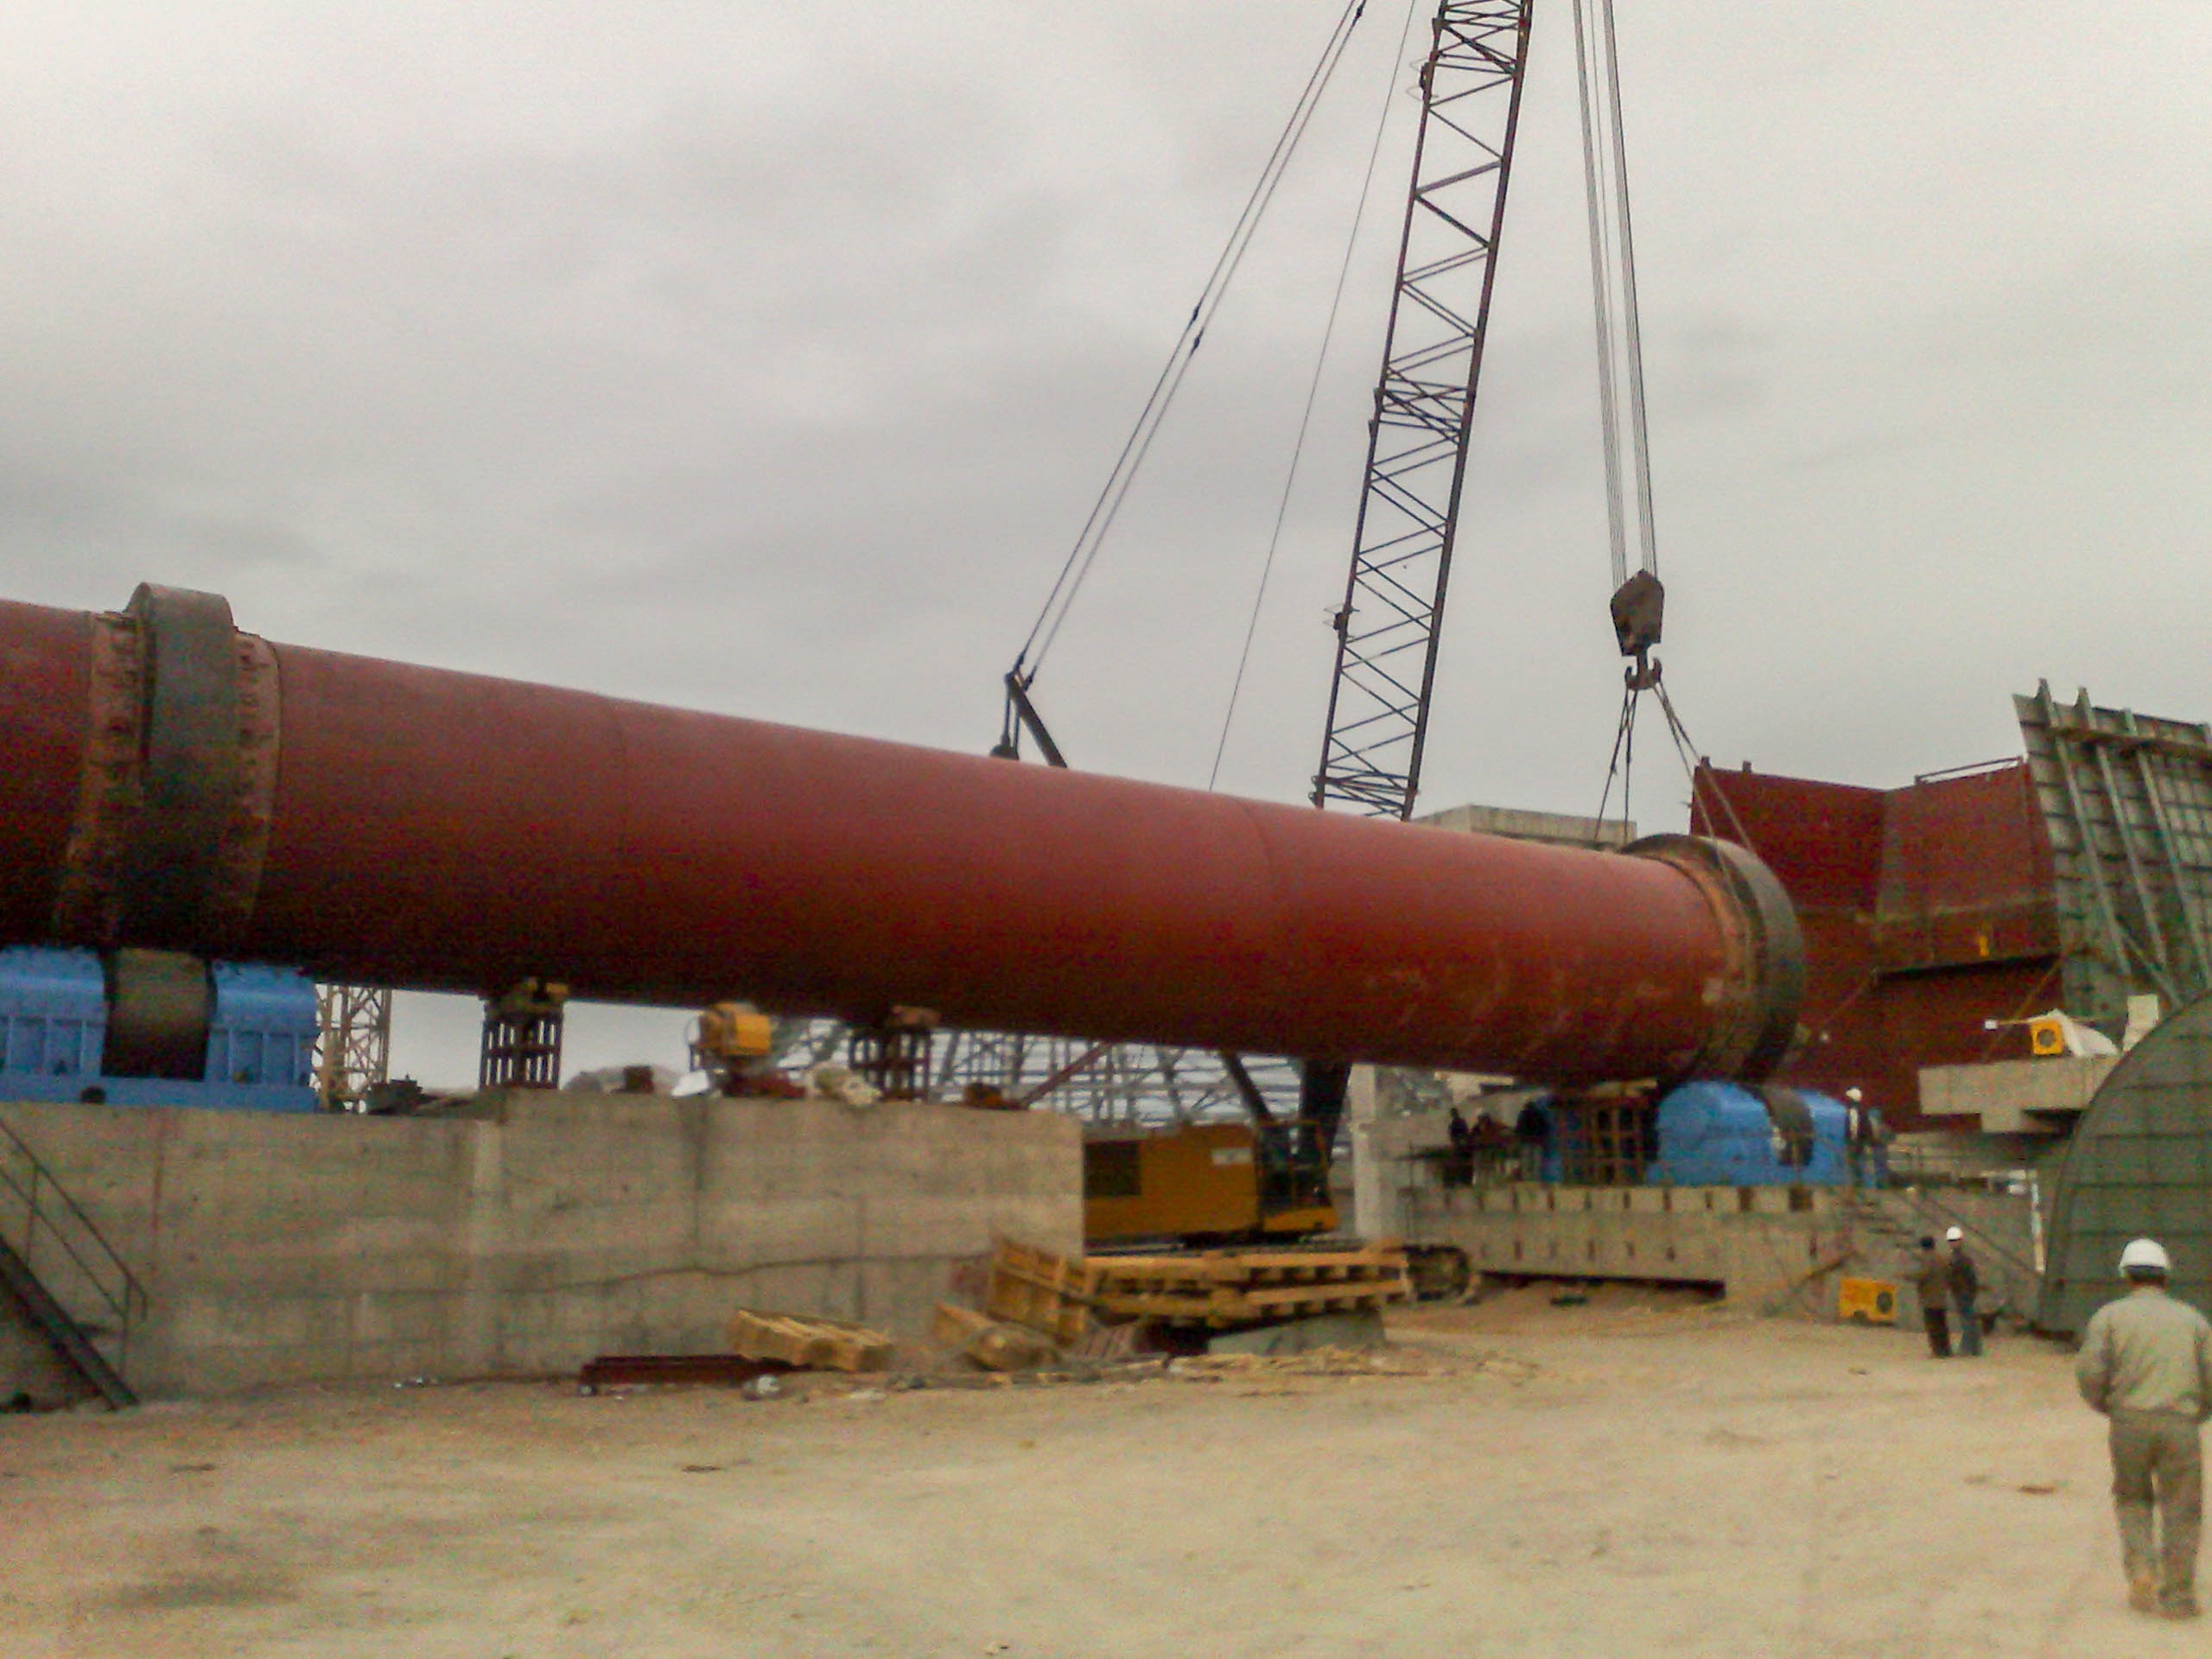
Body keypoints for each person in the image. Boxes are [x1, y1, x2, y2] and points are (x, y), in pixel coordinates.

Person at [2076, 1236, 2212, 1619]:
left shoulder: (2108, 1318)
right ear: (2166, 1276)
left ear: (2126, 1276)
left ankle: (2141, 1569)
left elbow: (2090, 1373)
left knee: (2133, 1498)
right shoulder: (2193, 1320)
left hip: (2128, 1423)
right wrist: (2199, 1413)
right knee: (2182, 1508)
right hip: (2179, 1424)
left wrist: (2107, 1405)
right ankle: (2179, 1597)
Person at [1910, 1236, 1951, 1358]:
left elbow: (1923, 1274)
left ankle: (1937, 1350)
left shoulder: (1927, 1259)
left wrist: (1908, 1276)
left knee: (1932, 1325)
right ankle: (1946, 1349)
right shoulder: (1941, 1258)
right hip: (1941, 1295)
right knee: (1942, 1324)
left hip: (1930, 1296)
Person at [1947, 1227, 1983, 1357]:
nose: (1953, 1243)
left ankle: (1968, 1348)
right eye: (1951, 1241)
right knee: (1969, 1320)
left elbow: (1969, 1277)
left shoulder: (1960, 1259)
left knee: (1967, 1321)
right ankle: (1974, 1348)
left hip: (1963, 1293)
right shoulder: (1959, 1258)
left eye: (1954, 1241)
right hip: (1963, 1292)